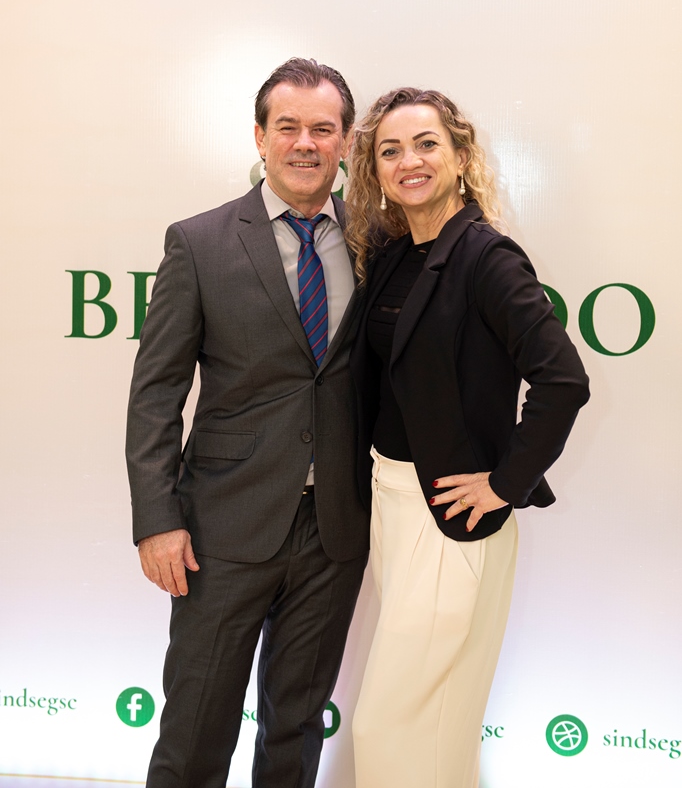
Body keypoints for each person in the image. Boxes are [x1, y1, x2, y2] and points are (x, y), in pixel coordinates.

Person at [125, 58, 369, 788]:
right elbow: (155, 393)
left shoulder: (378, 242)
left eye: (322, 129)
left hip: (334, 529)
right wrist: (157, 520)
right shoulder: (199, 242)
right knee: (197, 726)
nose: (305, 144)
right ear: (260, 137)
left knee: (296, 727)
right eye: (288, 127)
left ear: (346, 141)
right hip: (221, 529)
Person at [345, 87, 590, 788]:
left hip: (450, 513)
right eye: (391, 150)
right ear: (375, 170)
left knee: (391, 722)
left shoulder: (488, 258)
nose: (409, 161)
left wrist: (504, 483)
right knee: (437, 721)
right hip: (392, 500)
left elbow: (563, 381)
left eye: (426, 144)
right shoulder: (394, 252)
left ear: (460, 156)